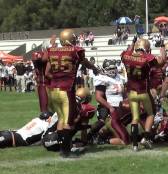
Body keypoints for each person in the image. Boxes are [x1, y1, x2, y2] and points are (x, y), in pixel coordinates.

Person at [44, 28, 99, 158]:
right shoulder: (76, 51)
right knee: (68, 122)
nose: (75, 40)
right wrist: (94, 68)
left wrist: (57, 79)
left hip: (53, 90)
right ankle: (65, 151)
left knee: (61, 119)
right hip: (66, 90)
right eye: (73, 38)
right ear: (69, 39)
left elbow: (47, 73)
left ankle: (61, 146)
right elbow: (84, 61)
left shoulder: (52, 51)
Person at [121, 37, 165, 151]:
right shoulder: (147, 58)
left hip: (131, 92)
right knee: (151, 113)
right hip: (143, 91)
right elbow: (161, 62)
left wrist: (132, 43)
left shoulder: (127, 56)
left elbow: (127, 52)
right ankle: (145, 138)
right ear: (147, 48)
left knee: (135, 118)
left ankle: (135, 145)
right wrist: (162, 47)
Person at [88, 59, 129, 145]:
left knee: (127, 119)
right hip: (108, 107)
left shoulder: (120, 77)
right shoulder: (102, 78)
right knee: (104, 122)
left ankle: (103, 134)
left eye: (114, 68)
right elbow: (98, 97)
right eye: (110, 69)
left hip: (120, 107)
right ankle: (92, 134)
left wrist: (127, 101)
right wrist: (109, 107)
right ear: (105, 69)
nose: (112, 70)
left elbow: (124, 93)